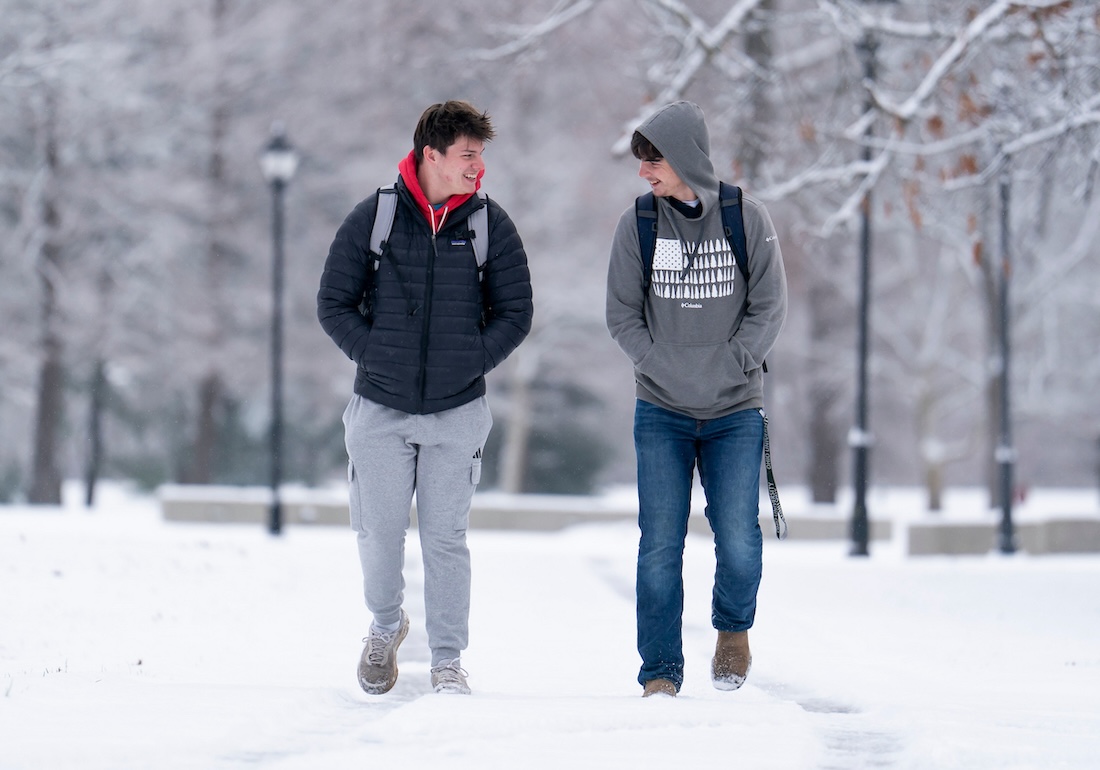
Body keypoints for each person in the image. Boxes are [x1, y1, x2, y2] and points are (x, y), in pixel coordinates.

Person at [317, 100, 533, 696]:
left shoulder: (491, 224)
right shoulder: (376, 217)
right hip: (379, 409)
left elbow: (516, 312)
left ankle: (446, 660)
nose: (478, 167)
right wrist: (377, 355)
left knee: (446, 540)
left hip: (458, 412)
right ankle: (386, 626)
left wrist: (470, 361)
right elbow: (333, 303)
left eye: (482, 155)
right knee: (379, 533)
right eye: (469, 155)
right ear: (431, 155)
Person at [605, 101, 787, 698]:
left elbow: (769, 305)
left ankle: (733, 630)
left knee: (737, 535)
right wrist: (659, 363)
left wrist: (734, 361)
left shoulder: (745, 218)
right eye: (641, 161)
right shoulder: (638, 224)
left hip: (735, 408)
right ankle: (660, 670)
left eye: (652, 159)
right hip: (661, 409)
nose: (644, 172)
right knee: (659, 542)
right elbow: (621, 315)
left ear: (684, 156)